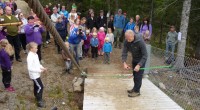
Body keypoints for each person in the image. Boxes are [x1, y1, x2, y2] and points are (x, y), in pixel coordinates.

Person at [122, 30, 147, 97]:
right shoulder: (126, 41)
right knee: (135, 76)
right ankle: (135, 88)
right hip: (134, 59)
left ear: (133, 36)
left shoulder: (140, 42)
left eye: (129, 38)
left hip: (141, 60)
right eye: (126, 38)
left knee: (138, 76)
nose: (127, 40)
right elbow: (124, 52)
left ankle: (137, 91)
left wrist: (139, 65)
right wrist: (124, 62)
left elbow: (145, 55)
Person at [26, 42, 47, 107]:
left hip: (37, 74)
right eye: (36, 48)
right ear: (31, 49)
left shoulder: (35, 54)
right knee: (41, 87)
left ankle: (36, 96)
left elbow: (38, 64)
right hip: (34, 75)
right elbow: (29, 68)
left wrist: (42, 67)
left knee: (36, 86)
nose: (37, 49)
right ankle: (39, 101)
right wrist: (39, 70)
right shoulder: (30, 57)